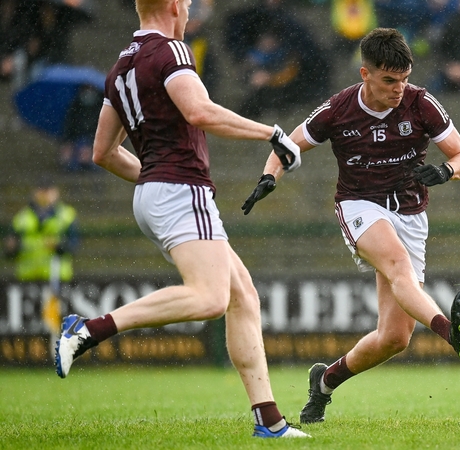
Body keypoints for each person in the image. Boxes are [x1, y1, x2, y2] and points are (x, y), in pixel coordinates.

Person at [54, 0, 307, 439]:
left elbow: (103, 153)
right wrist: (272, 134)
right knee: (211, 299)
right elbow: (200, 112)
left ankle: (269, 422)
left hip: (154, 192)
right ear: (173, 5)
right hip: (180, 190)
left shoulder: (120, 67)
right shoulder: (172, 51)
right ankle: (89, 328)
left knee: (242, 295)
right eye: (187, 3)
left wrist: (153, 179)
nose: (189, 9)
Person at [240, 27, 460, 424]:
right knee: (398, 266)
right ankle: (452, 334)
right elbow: (290, 146)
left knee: (395, 339)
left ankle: (325, 382)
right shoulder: (338, 108)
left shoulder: (421, 103)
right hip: (360, 206)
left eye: (403, 79)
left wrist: (445, 170)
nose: (398, 88)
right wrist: (269, 177)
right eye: (389, 80)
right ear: (365, 74)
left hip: (411, 213)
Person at [4, 182, 78, 284]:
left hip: (56, 277)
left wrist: (59, 246)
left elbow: (74, 244)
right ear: (34, 192)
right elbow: (9, 250)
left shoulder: (66, 215)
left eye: (48, 190)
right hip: (27, 277)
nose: (45, 194)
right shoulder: (22, 216)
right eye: (42, 190)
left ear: (56, 192)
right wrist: (12, 246)